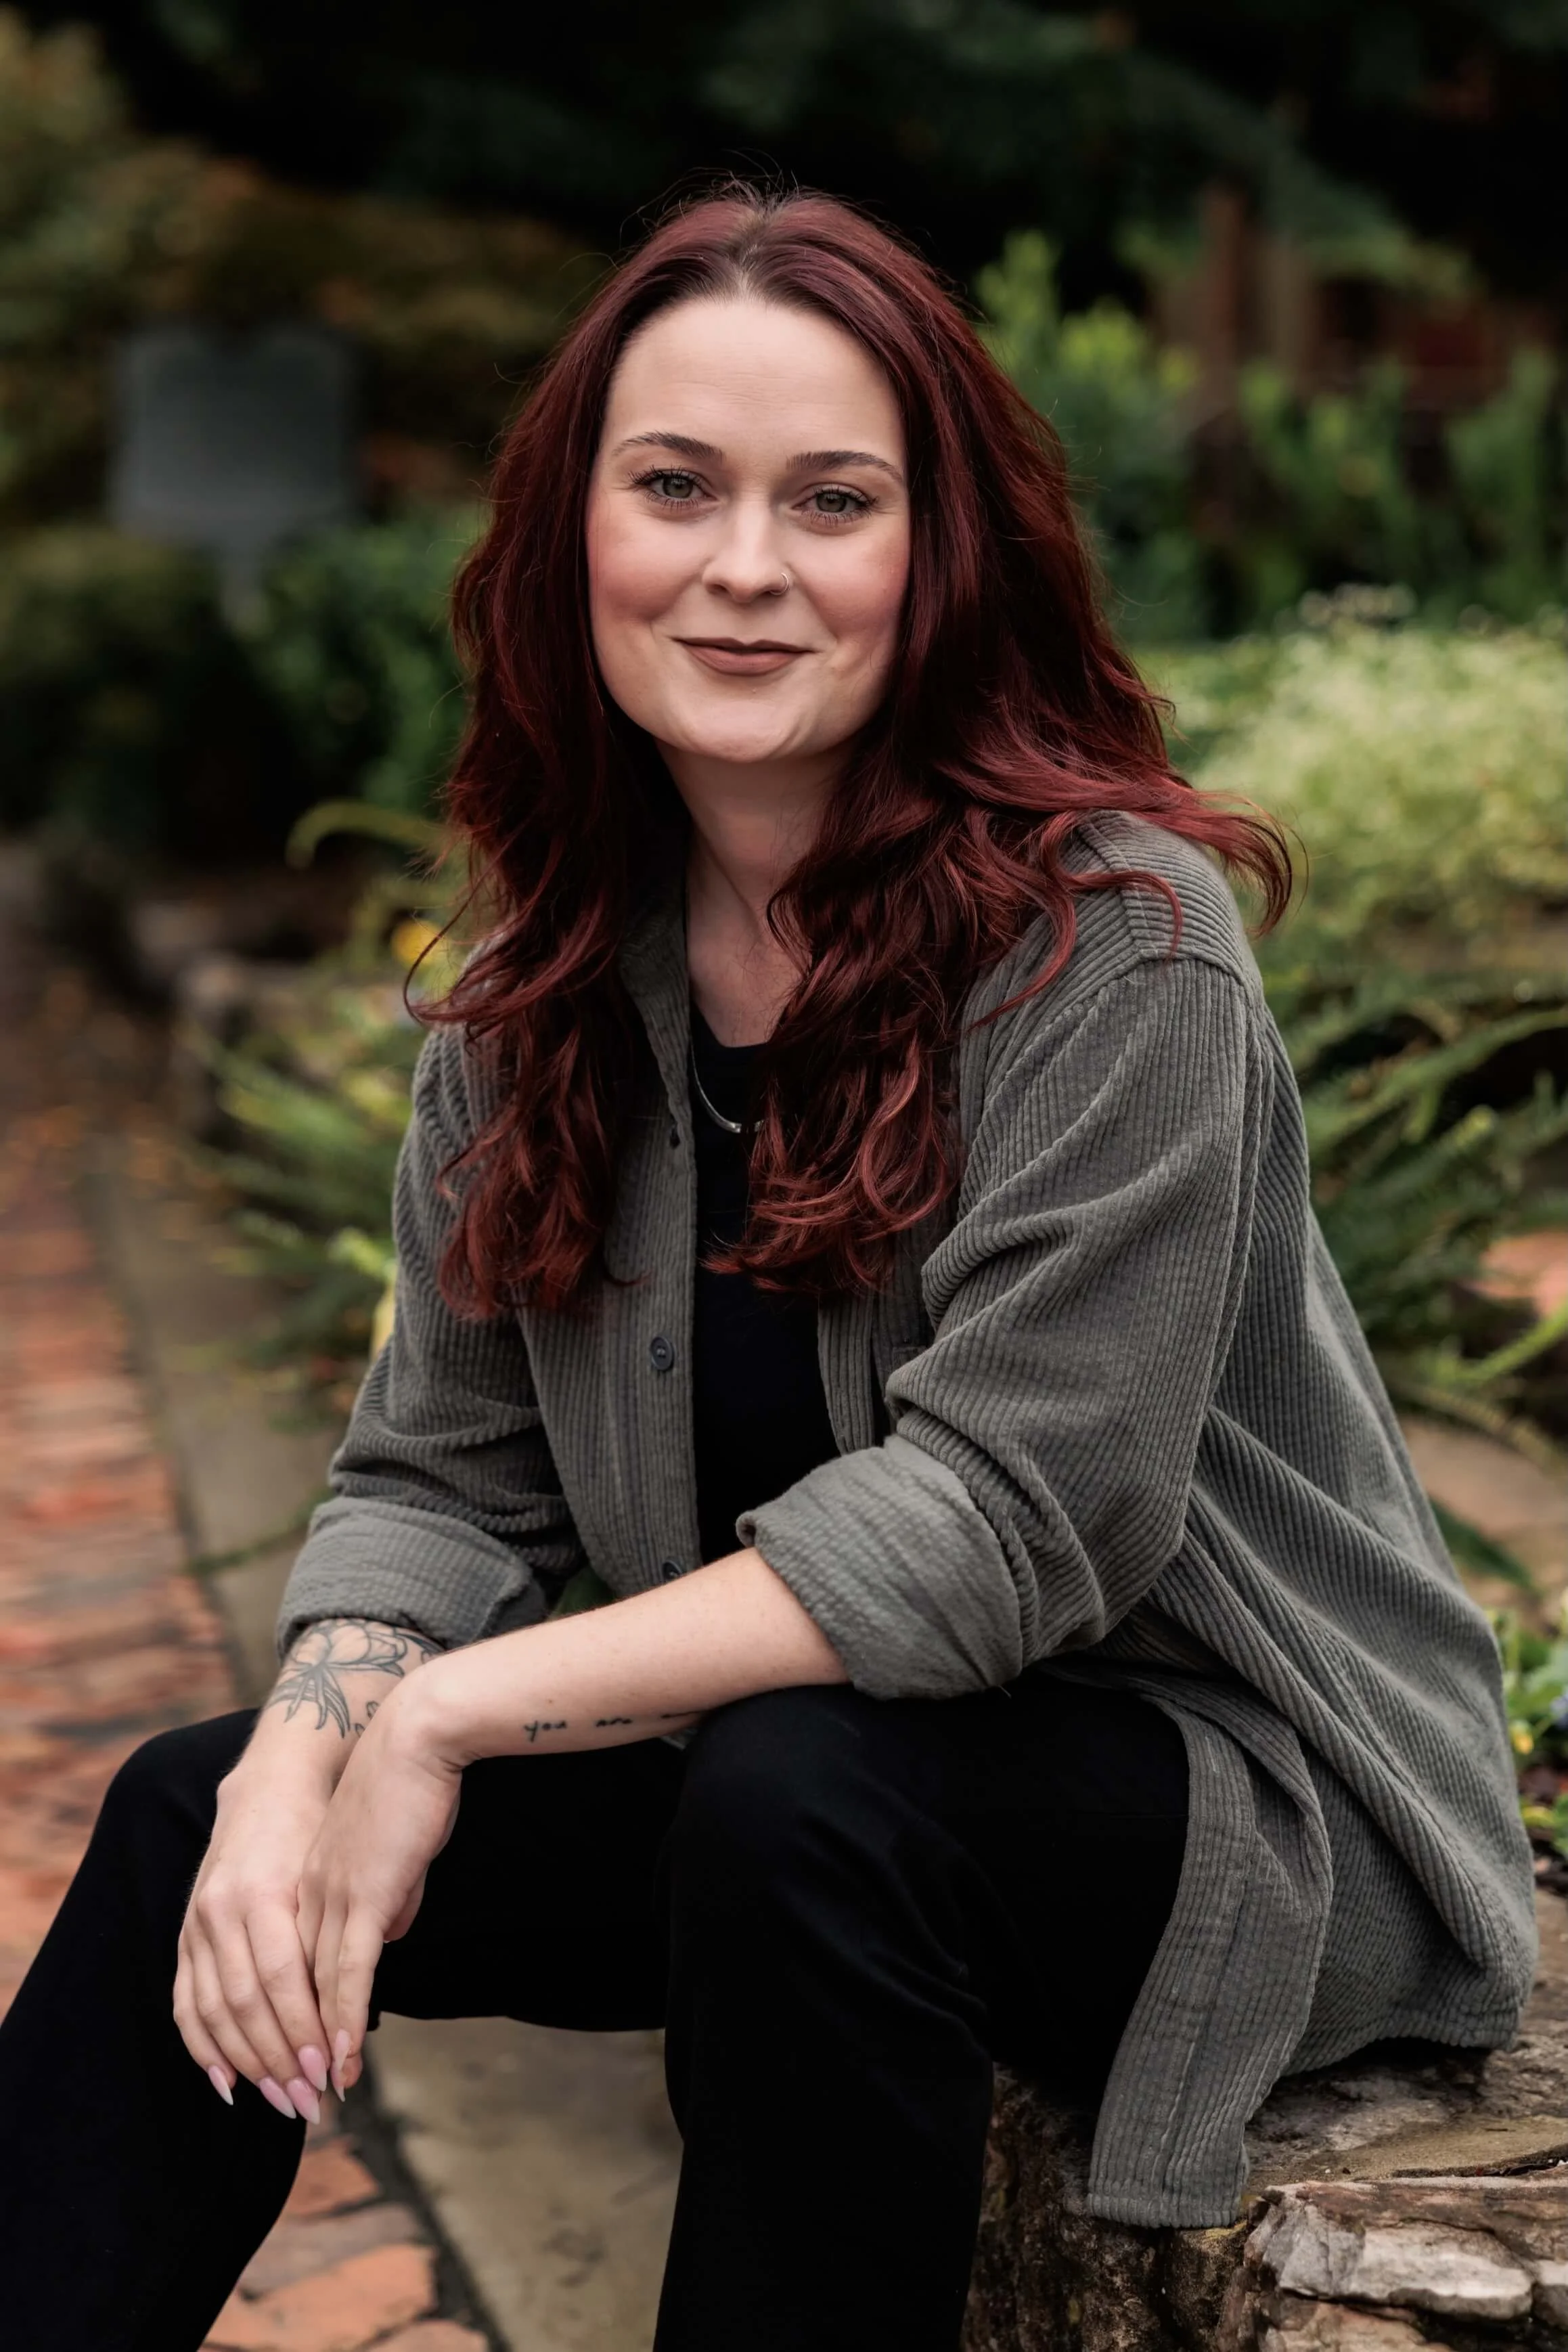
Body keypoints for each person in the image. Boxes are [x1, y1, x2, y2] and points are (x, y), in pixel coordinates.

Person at [0, 187, 1534, 2352]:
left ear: (942, 556)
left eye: (831, 500)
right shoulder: (545, 975)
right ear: (575, 538)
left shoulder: (1120, 952)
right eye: (675, 489)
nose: (743, 566)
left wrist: (446, 1713)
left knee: (799, 1800)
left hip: (1229, 1797)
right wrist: (307, 1754)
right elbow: (438, 1476)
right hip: (803, 1785)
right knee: (189, 1811)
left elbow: (1013, 1521)